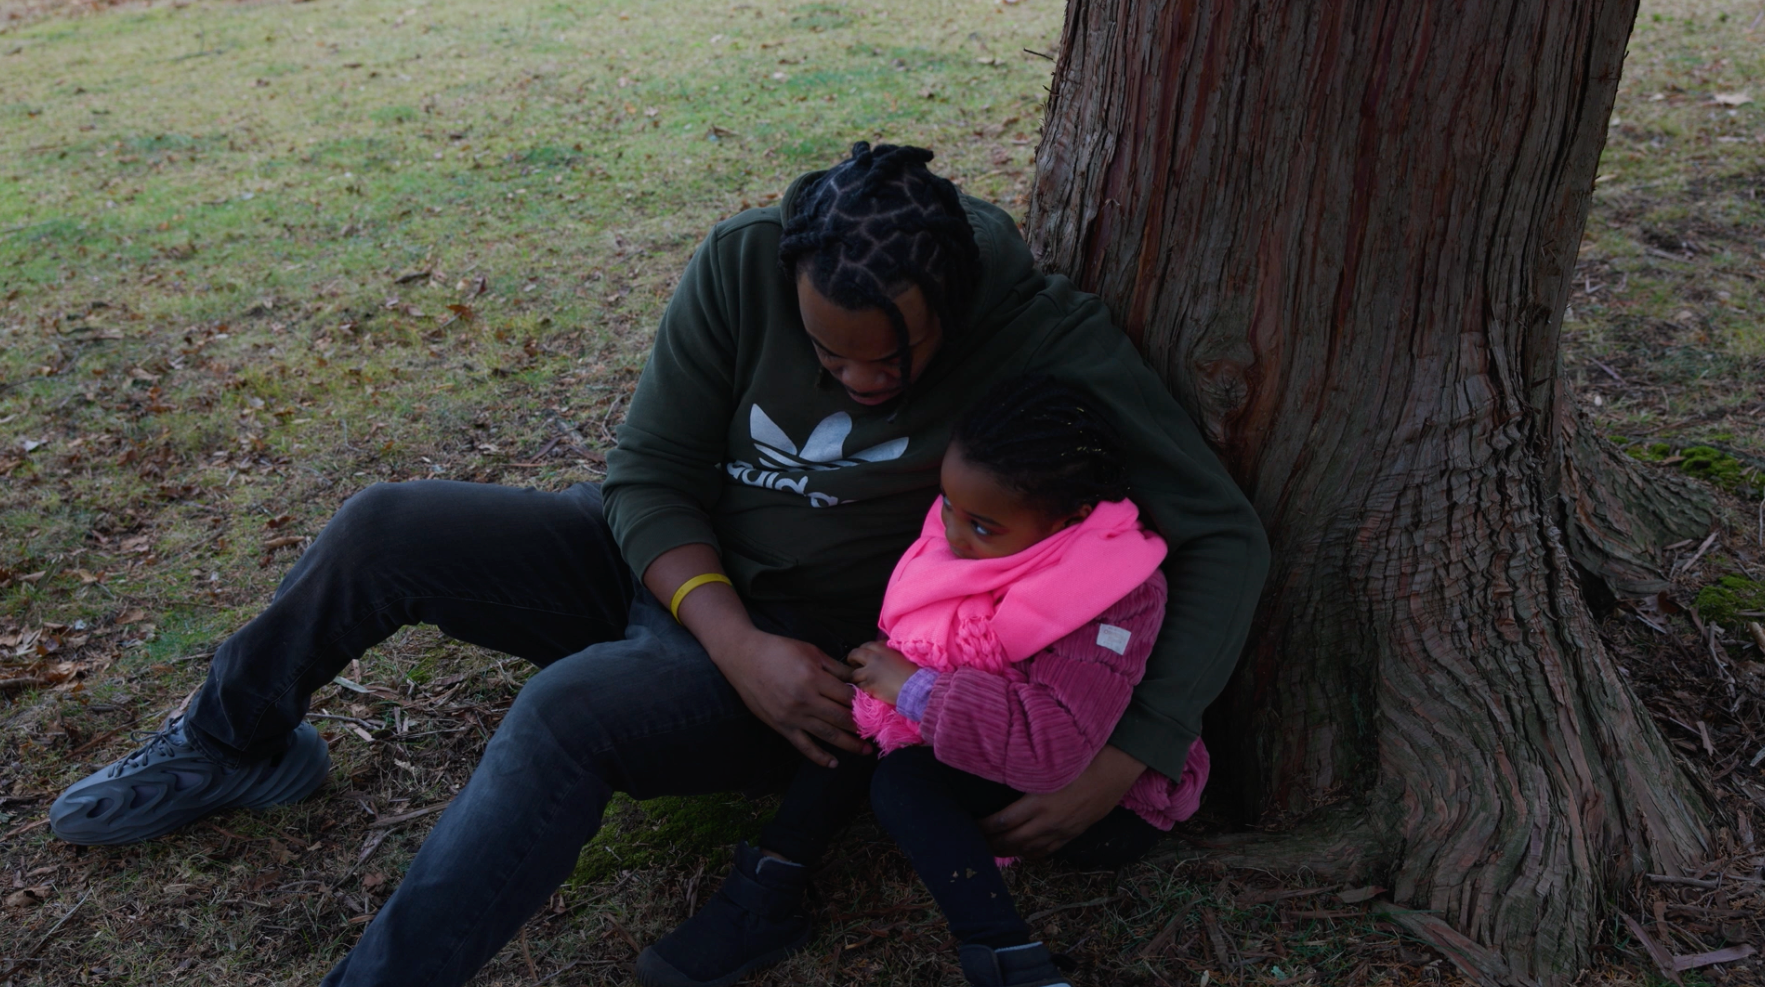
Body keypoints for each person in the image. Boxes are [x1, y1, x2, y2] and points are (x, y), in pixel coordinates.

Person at [46, 142, 1269, 987]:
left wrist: (1131, 755)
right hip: (696, 599)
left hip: (817, 670)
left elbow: (1217, 533)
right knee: (387, 523)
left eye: (889, 367)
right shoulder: (746, 264)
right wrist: (721, 633)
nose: (856, 381)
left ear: (953, 308)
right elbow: (646, 473)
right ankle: (235, 741)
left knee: (568, 711)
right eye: (828, 355)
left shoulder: (1037, 334)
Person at [636, 375, 1209, 987]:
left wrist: (914, 689)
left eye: (982, 526)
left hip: (1091, 804)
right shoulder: (981, 533)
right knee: (851, 712)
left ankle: (1008, 959)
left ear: (1070, 519)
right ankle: (767, 886)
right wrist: (890, 685)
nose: (954, 537)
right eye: (947, 507)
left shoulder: (1113, 590)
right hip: (978, 730)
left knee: (903, 782)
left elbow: (1056, 745)